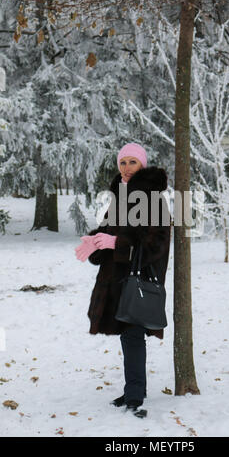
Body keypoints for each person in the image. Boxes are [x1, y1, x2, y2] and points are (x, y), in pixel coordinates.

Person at [75, 143, 171, 418]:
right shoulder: (121, 197)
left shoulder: (153, 199)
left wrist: (116, 242)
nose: (126, 168)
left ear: (142, 165)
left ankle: (135, 394)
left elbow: (156, 244)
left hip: (138, 280)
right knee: (128, 338)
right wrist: (95, 241)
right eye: (123, 162)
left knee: (132, 336)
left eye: (132, 162)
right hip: (118, 279)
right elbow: (109, 230)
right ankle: (133, 390)